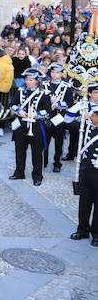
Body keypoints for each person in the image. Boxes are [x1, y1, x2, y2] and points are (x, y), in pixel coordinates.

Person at [9, 68, 50, 186]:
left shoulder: (44, 93)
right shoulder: (20, 91)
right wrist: (19, 111)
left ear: (37, 81)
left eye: (31, 80)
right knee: (19, 150)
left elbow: (48, 110)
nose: (28, 82)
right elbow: (13, 104)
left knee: (37, 152)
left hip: (36, 125)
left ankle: (37, 176)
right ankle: (19, 172)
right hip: (21, 125)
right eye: (27, 79)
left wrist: (37, 114)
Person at [70, 92, 98, 246]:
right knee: (85, 199)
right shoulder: (87, 126)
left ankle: (96, 233)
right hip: (87, 167)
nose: (94, 118)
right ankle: (82, 229)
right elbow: (69, 120)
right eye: (94, 115)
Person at [43, 62, 74, 172]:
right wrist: (48, 103)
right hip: (47, 117)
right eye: (53, 72)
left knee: (59, 142)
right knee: (44, 141)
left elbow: (70, 102)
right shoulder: (45, 84)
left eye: (57, 72)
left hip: (59, 117)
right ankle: (44, 160)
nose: (55, 75)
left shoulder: (66, 86)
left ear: (61, 73)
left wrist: (59, 105)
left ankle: (57, 162)